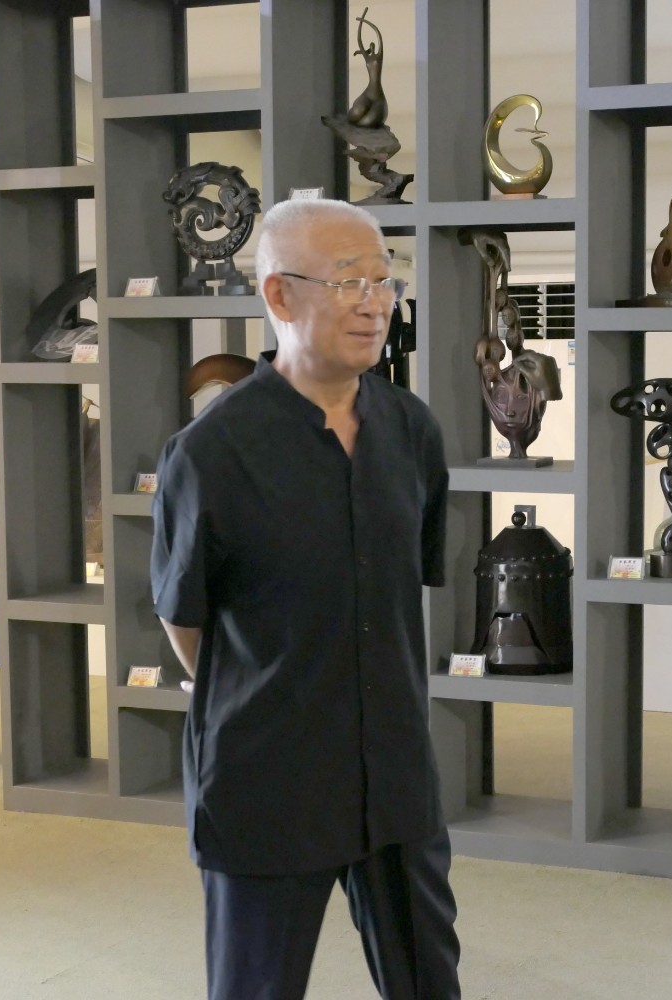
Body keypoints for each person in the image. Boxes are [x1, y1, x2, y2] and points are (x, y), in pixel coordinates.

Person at [151, 198, 460, 1000]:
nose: (375, 303)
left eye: (385, 282)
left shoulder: (412, 431)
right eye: (350, 281)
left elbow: (404, 589)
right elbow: (184, 618)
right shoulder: (211, 453)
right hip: (269, 777)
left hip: (394, 771)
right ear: (279, 295)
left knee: (430, 982)